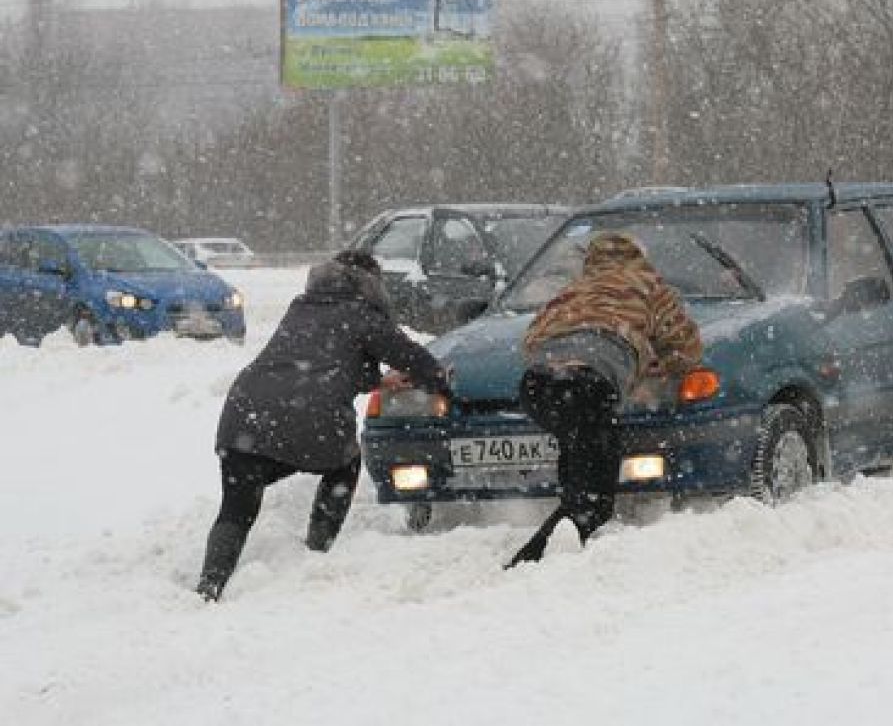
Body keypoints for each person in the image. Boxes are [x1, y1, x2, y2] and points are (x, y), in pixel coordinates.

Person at [196, 250, 448, 602]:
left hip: (244, 414)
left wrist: (377, 381)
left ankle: (209, 586)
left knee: (236, 509)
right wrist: (442, 381)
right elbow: (410, 356)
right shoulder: (362, 314)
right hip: (308, 417)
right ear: (371, 284)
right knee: (345, 464)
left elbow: (320, 362)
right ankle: (316, 554)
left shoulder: (302, 307)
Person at [506, 232, 702, 568]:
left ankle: (559, 544)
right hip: (588, 381)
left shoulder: (575, 288)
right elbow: (686, 347)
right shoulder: (648, 285)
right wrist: (656, 364)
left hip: (538, 384)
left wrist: (565, 353)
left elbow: (529, 342)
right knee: (594, 497)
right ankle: (536, 563)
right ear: (638, 256)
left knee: (577, 457)